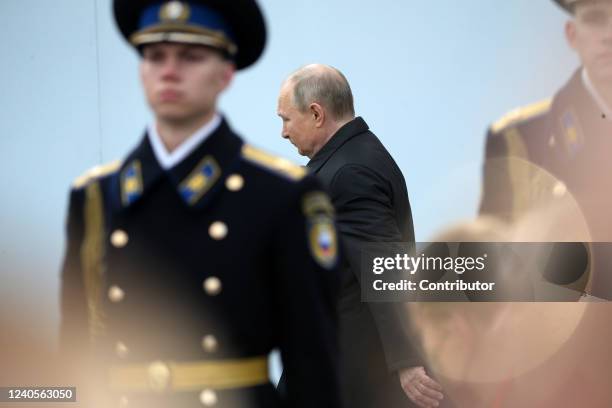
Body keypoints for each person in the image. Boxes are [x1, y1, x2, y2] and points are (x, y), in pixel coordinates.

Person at [59, 2, 341, 407]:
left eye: (191, 56)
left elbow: (314, 368)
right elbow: (74, 356)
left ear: (225, 73)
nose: (169, 70)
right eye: (155, 56)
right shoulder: (95, 197)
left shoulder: (282, 196)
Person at [277, 64, 444, 408]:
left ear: (316, 113)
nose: (283, 132)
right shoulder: (355, 156)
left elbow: (385, 266)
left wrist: (407, 361)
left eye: (286, 119)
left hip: (346, 370)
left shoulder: (350, 172)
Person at [479, 0, 612, 299]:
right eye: (595, 19)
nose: (609, 34)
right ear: (572, 34)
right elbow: (493, 272)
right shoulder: (520, 139)